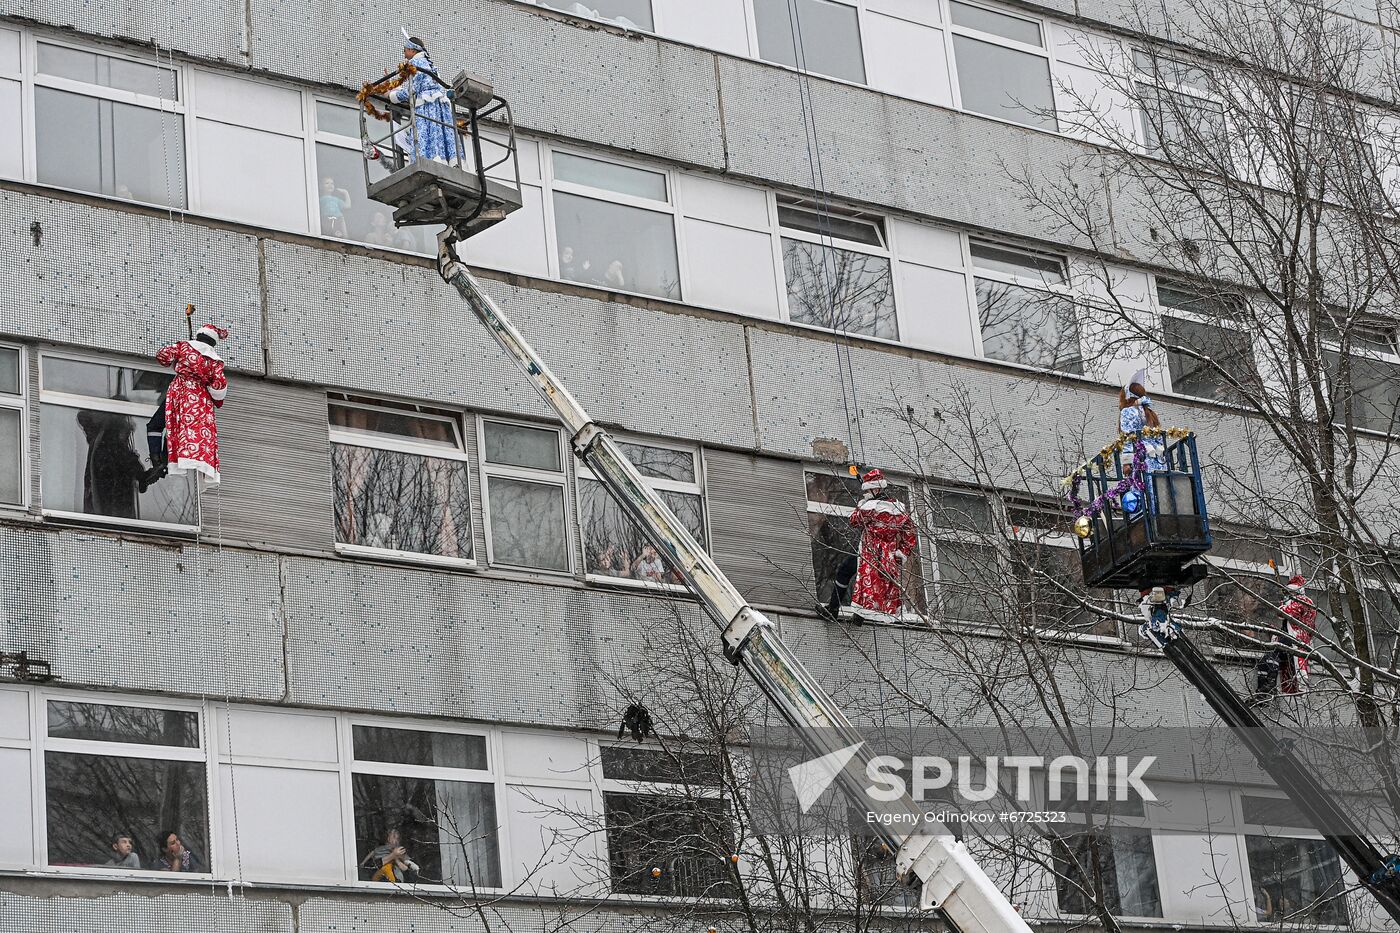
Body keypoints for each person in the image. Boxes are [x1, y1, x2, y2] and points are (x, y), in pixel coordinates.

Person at [147, 323, 230, 488]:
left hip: (180, 392)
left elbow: (162, 356)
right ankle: (166, 461)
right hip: (200, 401)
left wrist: (179, 356)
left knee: (160, 425)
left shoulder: (184, 347)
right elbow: (219, 388)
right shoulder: (215, 362)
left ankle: (157, 460)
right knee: (183, 432)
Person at [849, 469, 917, 622]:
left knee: (868, 583)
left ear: (876, 489)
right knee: (885, 587)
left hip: (871, 552)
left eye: (867, 491)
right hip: (890, 556)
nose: (865, 494)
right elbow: (910, 532)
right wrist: (902, 552)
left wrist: (861, 505)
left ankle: (860, 616)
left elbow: (854, 520)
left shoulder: (869, 508)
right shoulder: (899, 509)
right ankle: (881, 615)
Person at [388, 33, 458, 164]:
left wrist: (392, 95)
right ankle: (448, 160)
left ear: (412, 50)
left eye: (405, 51)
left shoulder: (415, 63)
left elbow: (412, 89)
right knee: (439, 133)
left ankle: (426, 159)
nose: (404, 55)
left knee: (426, 133)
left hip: (427, 106)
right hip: (439, 106)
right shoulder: (429, 65)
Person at [1251, 575, 1318, 703]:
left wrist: (1284, 604)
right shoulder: (1296, 601)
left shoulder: (1305, 601)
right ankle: (1264, 689)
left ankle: (1268, 688)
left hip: (1296, 639)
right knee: (1268, 659)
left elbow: (1283, 612)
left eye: (1289, 593)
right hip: (1289, 637)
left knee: (1275, 655)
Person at [76, 408, 146, 518]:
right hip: (111, 508)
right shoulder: (109, 442)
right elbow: (123, 459)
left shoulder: (100, 441)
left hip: (104, 508)